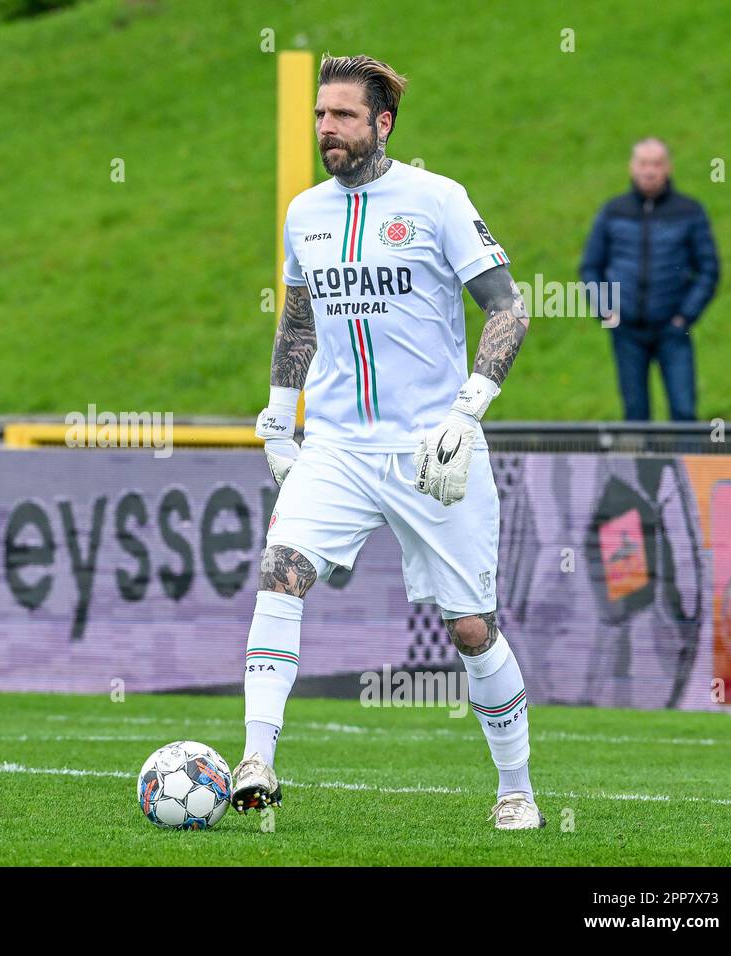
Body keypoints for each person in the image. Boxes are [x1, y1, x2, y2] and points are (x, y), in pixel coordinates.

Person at [235, 54, 542, 829]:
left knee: (472, 628)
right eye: (318, 115)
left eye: (341, 115)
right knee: (280, 573)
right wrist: (279, 414)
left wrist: (468, 408)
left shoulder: (437, 201)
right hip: (336, 445)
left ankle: (517, 789)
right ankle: (256, 759)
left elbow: (508, 308)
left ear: (382, 122)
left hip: (432, 450)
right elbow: (299, 318)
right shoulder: (303, 213)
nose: (325, 129)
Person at [580, 138, 719, 421]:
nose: (650, 171)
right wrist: (606, 311)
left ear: (667, 168)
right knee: (635, 415)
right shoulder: (613, 212)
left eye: (656, 164)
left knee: (683, 410)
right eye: (643, 163)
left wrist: (685, 316)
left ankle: (687, 466)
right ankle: (642, 468)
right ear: (632, 167)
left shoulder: (689, 212)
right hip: (627, 331)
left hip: (674, 329)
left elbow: (708, 268)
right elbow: (591, 267)